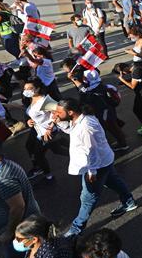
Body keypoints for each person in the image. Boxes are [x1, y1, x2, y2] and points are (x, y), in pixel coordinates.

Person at [54, 98, 137, 237]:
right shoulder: (79, 120)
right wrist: (60, 123)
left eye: (58, 112)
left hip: (97, 165)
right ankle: (129, 202)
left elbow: (91, 149)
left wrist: (92, 171)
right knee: (113, 181)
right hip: (104, 161)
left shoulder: (86, 126)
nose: (55, 114)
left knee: (88, 198)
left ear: (71, 112)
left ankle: (76, 229)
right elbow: (73, 131)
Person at [19, 77, 69, 180]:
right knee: (32, 146)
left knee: (40, 154)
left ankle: (48, 175)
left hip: (47, 132)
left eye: (29, 88)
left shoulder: (45, 101)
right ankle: (40, 168)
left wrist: (50, 128)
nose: (26, 91)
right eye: (25, 88)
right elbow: (31, 112)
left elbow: (60, 113)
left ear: (37, 89)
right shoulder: (31, 98)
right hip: (37, 130)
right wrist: (28, 121)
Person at [113, 61, 142, 139]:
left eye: (122, 73)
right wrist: (125, 81)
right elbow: (135, 80)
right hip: (139, 94)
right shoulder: (135, 69)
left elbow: (132, 86)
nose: (123, 74)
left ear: (124, 70)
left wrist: (122, 80)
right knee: (137, 110)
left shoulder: (136, 71)